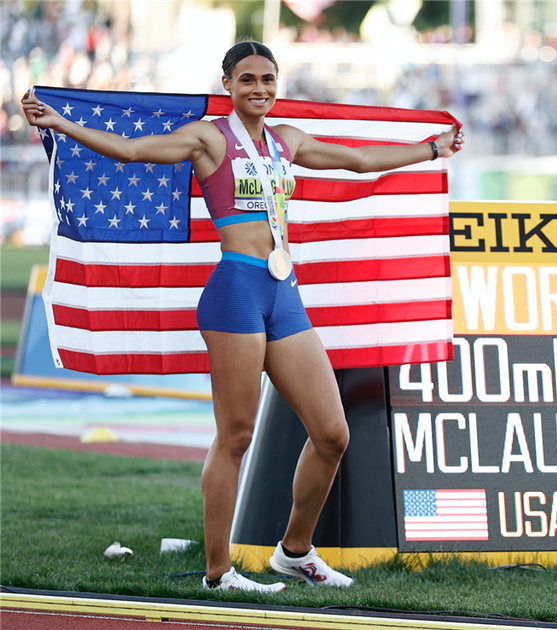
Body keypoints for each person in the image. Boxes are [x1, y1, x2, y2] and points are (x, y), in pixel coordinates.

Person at [21, 40, 464, 592]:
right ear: (228, 84)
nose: (260, 89)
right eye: (248, 79)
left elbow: (359, 161)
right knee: (235, 436)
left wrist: (432, 149)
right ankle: (217, 572)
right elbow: (131, 151)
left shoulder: (288, 141)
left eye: (268, 79)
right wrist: (60, 122)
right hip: (234, 291)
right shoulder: (210, 137)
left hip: (283, 292)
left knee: (331, 433)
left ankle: (295, 553)